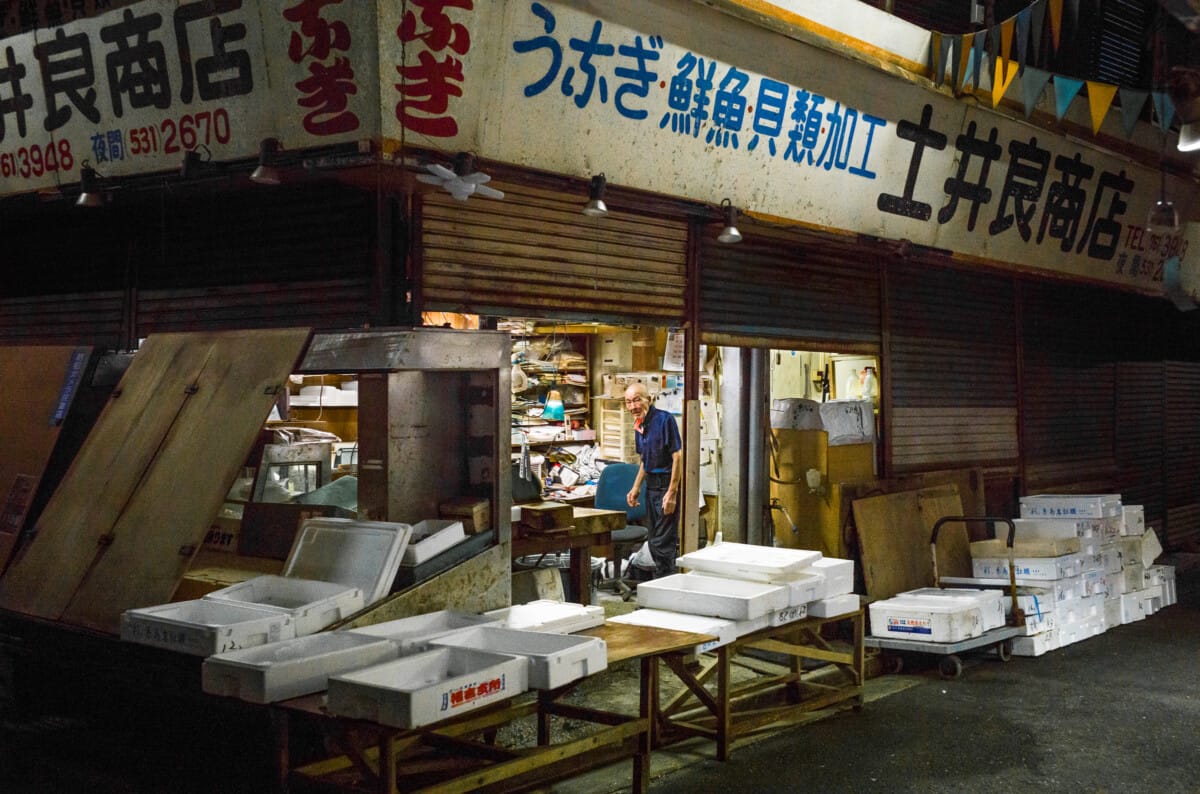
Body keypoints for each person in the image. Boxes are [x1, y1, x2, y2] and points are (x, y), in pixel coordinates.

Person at [623, 382, 682, 578]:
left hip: (666, 485)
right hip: (651, 486)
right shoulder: (640, 425)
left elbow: (677, 457)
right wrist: (635, 487)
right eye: (628, 402)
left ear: (649, 399)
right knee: (655, 538)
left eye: (637, 400)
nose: (633, 406)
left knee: (663, 543)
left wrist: (671, 493)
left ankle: (666, 586)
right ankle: (658, 587)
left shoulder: (665, 420)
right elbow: (644, 460)